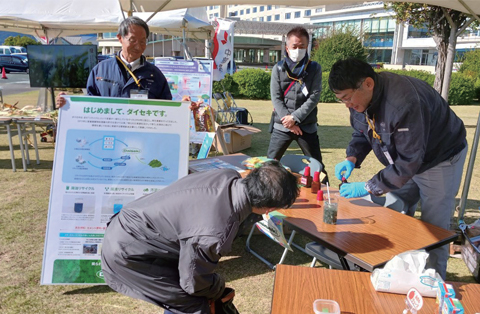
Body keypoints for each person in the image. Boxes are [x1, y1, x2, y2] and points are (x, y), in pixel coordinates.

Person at [329, 57, 467, 279]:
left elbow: (409, 162)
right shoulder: (360, 100)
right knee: (393, 211)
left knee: (434, 230)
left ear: (368, 83)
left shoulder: (403, 103)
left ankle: (432, 283)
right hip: (406, 159)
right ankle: (398, 272)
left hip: (440, 158)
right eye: (341, 100)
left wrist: (368, 186)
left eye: (347, 98)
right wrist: (352, 158)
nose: (347, 105)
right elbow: (363, 130)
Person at [101, 161, 299, 314]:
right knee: (190, 303)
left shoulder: (228, 176)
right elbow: (194, 283)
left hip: (136, 227)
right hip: (129, 253)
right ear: (270, 208)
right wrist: (218, 286)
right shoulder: (215, 231)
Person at [55, 16, 199, 109]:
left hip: (142, 142)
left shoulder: (155, 74)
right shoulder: (100, 71)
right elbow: (89, 106)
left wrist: (183, 106)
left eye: (143, 41)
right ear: (120, 38)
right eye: (132, 40)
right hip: (108, 137)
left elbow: (166, 108)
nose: (138, 46)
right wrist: (67, 103)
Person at [267, 26, 328, 183]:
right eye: (294, 46)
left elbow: (314, 97)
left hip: (306, 126)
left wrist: (295, 117)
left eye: (302, 47)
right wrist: (289, 122)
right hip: (282, 126)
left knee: (318, 167)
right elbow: (276, 97)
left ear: (307, 47)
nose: (298, 50)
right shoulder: (278, 68)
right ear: (287, 48)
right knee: (269, 165)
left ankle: (327, 196)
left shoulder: (314, 68)